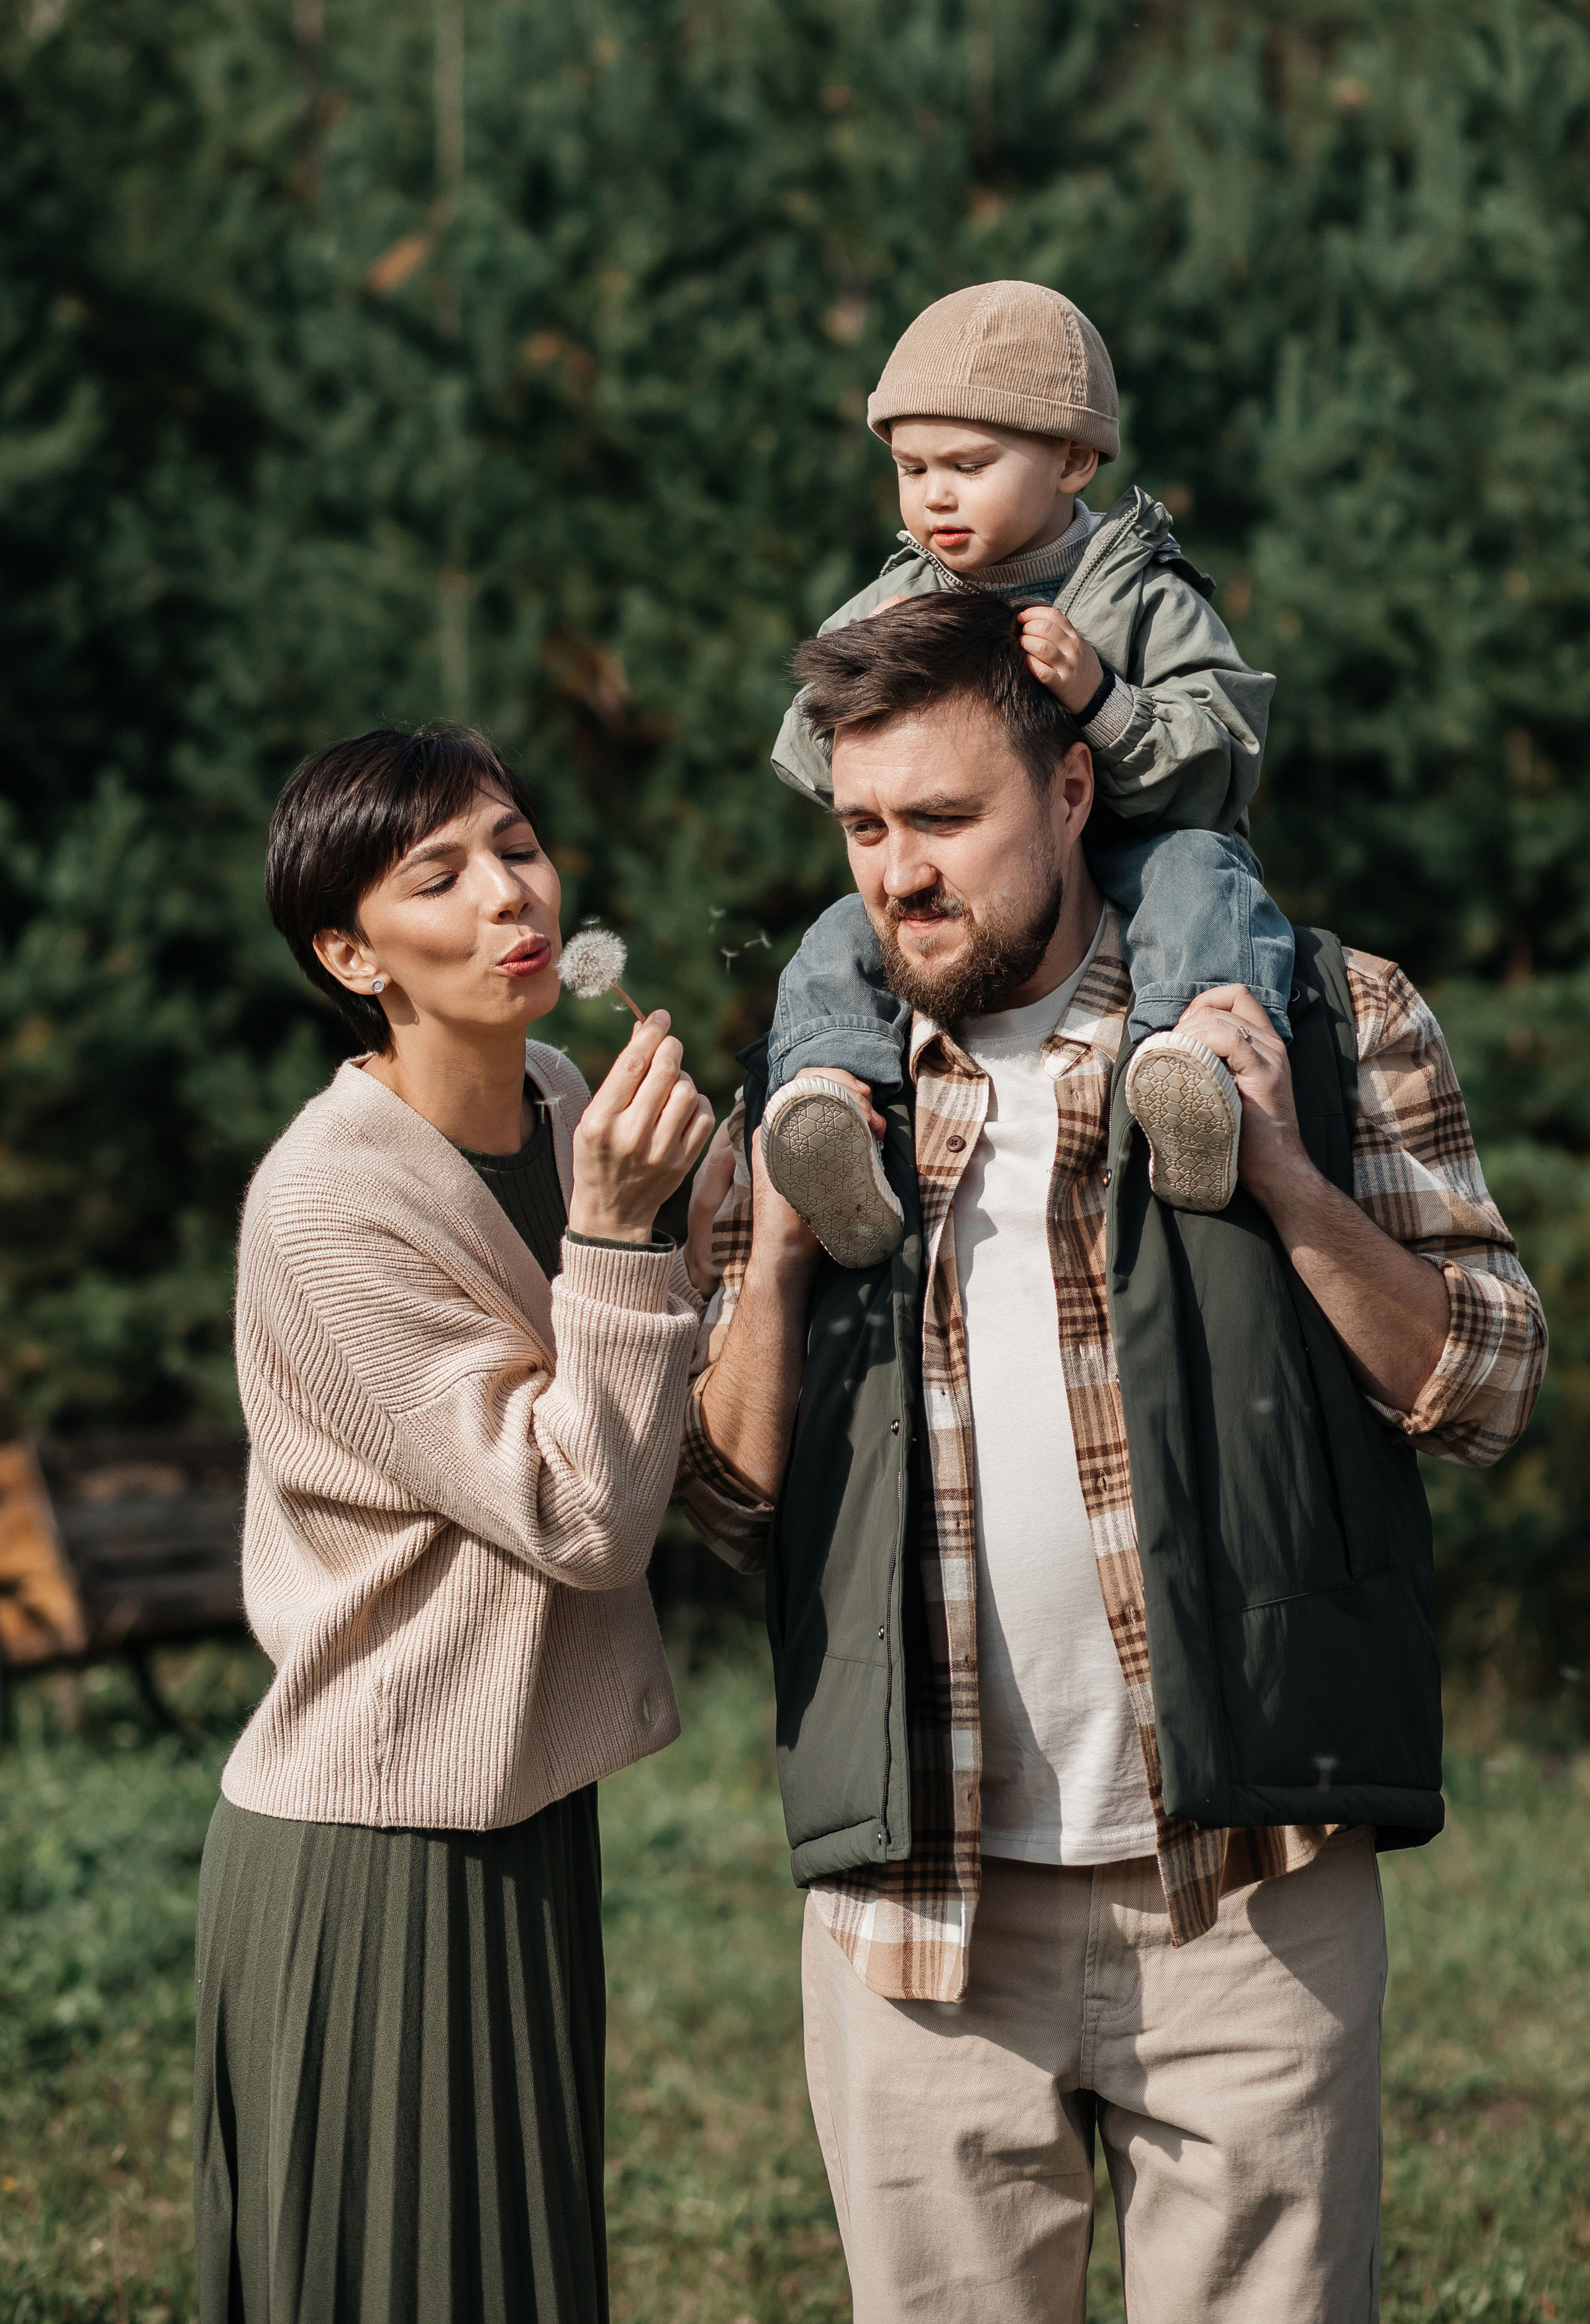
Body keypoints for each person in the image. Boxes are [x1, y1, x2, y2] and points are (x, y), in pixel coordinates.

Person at [678, 594, 1547, 2323]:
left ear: (1077, 790)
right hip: (916, 1917)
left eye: (945, 818)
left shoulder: (1319, 1009)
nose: (897, 873)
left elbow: (1494, 1388)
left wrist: (1291, 1185)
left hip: (1250, 1890)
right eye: (863, 826)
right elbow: (721, 1507)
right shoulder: (814, 1086)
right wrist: (770, 1261)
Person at [193, 725, 715, 2324]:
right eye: (440, 876)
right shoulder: (328, 1199)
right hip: (373, 1843)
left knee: (510, 2267)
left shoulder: (559, 1097)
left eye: (516, 843)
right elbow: (577, 1512)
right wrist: (626, 1239)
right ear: (353, 957)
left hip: (514, 1802)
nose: (510, 893)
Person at [758, 277, 1283, 1266]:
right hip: (987, 880)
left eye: (969, 464)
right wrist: (889, 701)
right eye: (912, 469)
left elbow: (1225, 754)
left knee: (1207, 879)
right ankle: (830, 1108)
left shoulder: (1139, 589)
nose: (936, 496)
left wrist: (1102, 696)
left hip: (1137, 850)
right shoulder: (898, 595)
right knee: (840, 932)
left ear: (1075, 460)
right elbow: (809, 744)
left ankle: (1193, 1073)